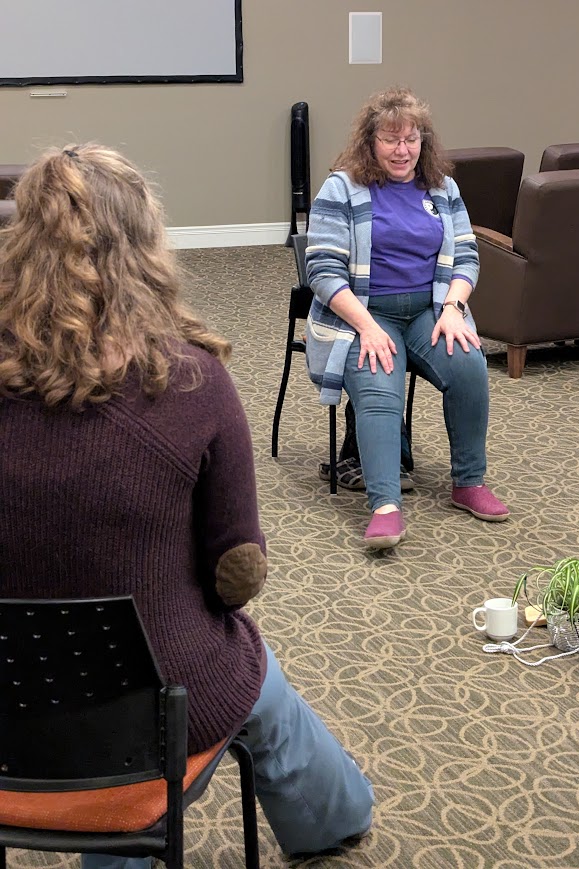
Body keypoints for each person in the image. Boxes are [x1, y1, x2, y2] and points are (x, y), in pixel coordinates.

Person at [0, 144, 374, 865]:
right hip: (157, 703)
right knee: (251, 680)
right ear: (145, 244)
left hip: (10, 702)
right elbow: (238, 574)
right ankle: (333, 823)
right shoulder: (192, 381)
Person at [306, 87, 510, 549]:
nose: (402, 151)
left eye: (411, 140)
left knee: (470, 365)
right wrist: (367, 326)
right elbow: (322, 269)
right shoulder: (343, 188)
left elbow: (466, 255)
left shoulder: (441, 187)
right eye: (391, 140)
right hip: (364, 313)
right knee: (379, 388)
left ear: (424, 142)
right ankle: (385, 505)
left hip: (429, 309)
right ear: (370, 142)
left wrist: (455, 308)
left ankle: (468, 482)